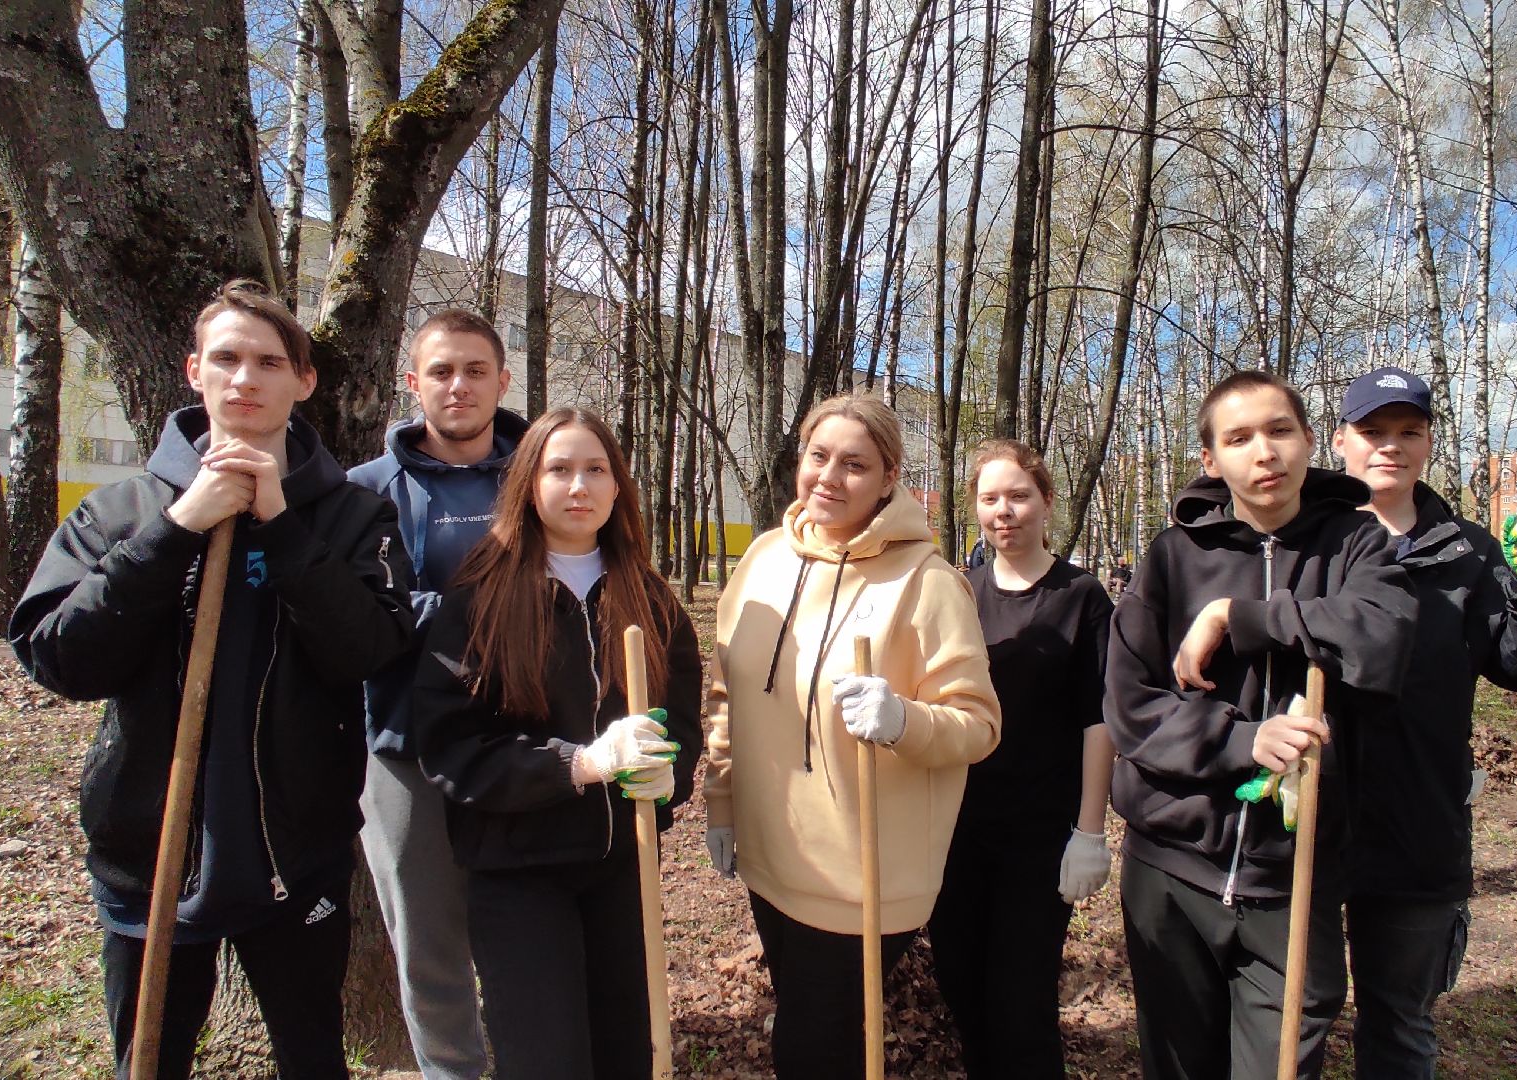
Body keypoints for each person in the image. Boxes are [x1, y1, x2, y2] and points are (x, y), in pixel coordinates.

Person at [9, 280, 415, 1080]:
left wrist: (285, 530)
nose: (245, 379)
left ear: (304, 382)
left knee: (312, 1057)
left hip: (296, 858)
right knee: (151, 1061)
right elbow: (60, 657)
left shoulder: (350, 518)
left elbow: (371, 650)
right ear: (194, 371)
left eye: (269, 362)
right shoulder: (122, 511)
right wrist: (175, 530)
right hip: (149, 856)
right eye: (226, 358)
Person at [1105, 369, 1416, 1080]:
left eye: (1280, 431)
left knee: (1280, 1065)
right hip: (1172, 868)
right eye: (1239, 438)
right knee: (1177, 1064)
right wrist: (1246, 742)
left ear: (1311, 441)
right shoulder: (1174, 557)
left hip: (1294, 873)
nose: (1264, 452)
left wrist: (1240, 618)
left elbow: (1383, 638)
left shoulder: (1356, 545)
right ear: (1212, 461)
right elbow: (1133, 705)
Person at [701, 393, 1002, 1078]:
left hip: (863, 877)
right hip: (770, 855)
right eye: (819, 456)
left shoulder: (927, 583)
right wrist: (721, 801)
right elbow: (728, 692)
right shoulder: (766, 558)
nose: (829, 477)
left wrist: (905, 721)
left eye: (855, 464)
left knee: (813, 1045)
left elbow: (979, 725)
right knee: (811, 1030)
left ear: (890, 478)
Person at [409, 407, 702, 1080]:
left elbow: (679, 725)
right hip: (517, 870)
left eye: (596, 469)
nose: (579, 486)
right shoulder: (480, 598)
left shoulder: (651, 599)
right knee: (547, 1059)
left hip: (621, 864)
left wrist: (669, 776)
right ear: (528, 485)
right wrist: (582, 764)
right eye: (559, 469)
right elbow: (453, 747)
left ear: (618, 486)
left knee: (625, 1050)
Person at [1331, 367, 1517, 1078]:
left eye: (1409, 432)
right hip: (1311, 814)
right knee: (1301, 1008)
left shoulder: (1472, 551)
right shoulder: (1311, 542)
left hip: (1421, 820)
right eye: (1373, 432)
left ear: (1430, 442)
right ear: (1343, 441)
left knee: (1401, 1019)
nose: (1391, 447)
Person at [348, 308, 528, 1080]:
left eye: (476, 370)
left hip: (525, 745)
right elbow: (354, 622)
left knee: (527, 932)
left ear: (503, 381)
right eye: (442, 371)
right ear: (414, 382)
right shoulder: (363, 492)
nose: (459, 386)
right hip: (402, 748)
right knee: (427, 946)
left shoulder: (543, 473)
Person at [928, 438, 1115, 1080]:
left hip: (1041, 836)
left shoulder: (1082, 596)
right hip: (958, 827)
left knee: (1020, 1000)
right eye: (989, 499)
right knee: (960, 981)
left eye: (1017, 496)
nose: (1003, 510)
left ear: (1045, 502)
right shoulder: (959, 592)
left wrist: (1090, 832)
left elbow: (1099, 717)